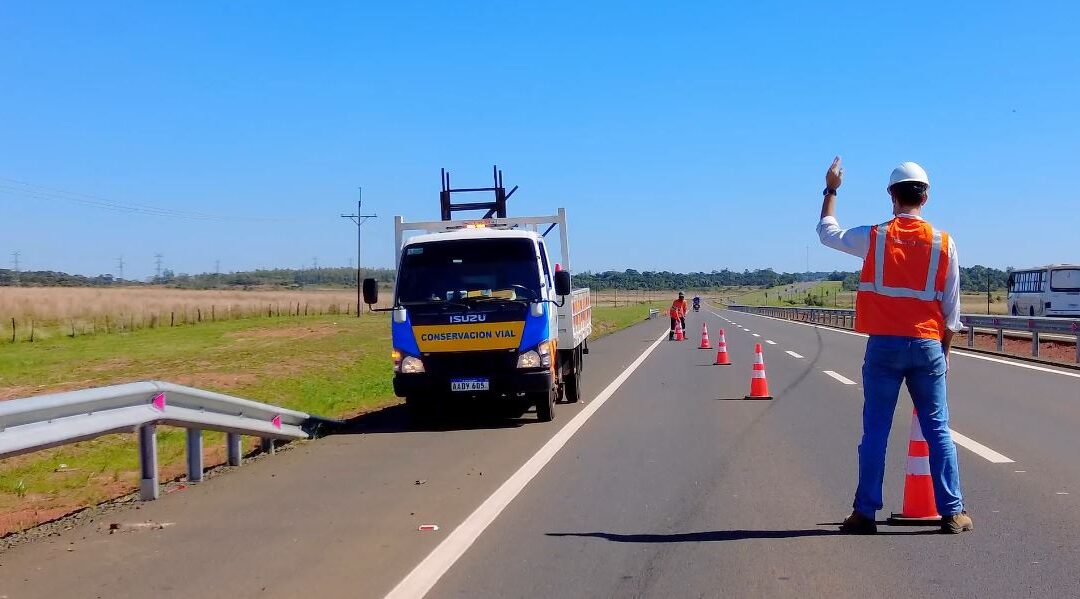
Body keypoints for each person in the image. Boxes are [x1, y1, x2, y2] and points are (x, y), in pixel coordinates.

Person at [817, 157, 972, 535]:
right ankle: (952, 512)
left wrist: (832, 189)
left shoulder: (874, 237)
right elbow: (952, 310)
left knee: (875, 431)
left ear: (892, 195)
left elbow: (827, 233)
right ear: (926, 196)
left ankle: (864, 514)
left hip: (884, 347)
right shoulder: (944, 243)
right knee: (938, 429)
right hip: (927, 346)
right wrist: (944, 351)